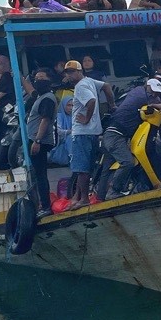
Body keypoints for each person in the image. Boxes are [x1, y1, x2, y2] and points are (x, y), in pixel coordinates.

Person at [100, 78, 161, 200]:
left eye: (157, 93)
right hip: (115, 135)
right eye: (154, 91)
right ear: (147, 86)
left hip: (116, 134)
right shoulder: (141, 96)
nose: (155, 94)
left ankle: (101, 196)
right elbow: (155, 104)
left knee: (106, 170)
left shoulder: (137, 91)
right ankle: (113, 191)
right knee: (127, 162)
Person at [64, 60, 107, 210]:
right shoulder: (90, 81)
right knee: (85, 166)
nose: (69, 76)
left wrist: (86, 118)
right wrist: (112, 104)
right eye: (67, 73)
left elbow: (91, 101)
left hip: (82, 132)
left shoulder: (80, 86)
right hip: (93, 131)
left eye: (71, 72)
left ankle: (83, 199)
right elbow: (107, 87)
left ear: (79, 71)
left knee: (81, 168)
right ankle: (77, 196)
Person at [20, 68, 58, 217]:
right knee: (37, 173)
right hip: (34, 139)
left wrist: (37, 140)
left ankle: (46, 207)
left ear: (48, 80)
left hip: (40, 141)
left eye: (41, 78)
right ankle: (41, 204)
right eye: (36, 78)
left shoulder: (48, 98)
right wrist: (20, 78)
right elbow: (30, 90)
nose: (37, 81)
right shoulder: (40, 96)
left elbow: (45, 120)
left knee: (41, 174)